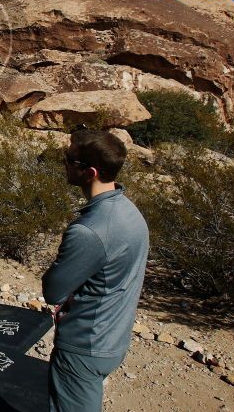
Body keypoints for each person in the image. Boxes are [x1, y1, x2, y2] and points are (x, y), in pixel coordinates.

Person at [42, 129, 149, 412]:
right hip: (113, 335)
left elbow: (52, 290)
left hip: (84, 343)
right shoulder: (130, 212)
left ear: (89, 172)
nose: (64, 164)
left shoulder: (89, 230)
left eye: (69, 160)